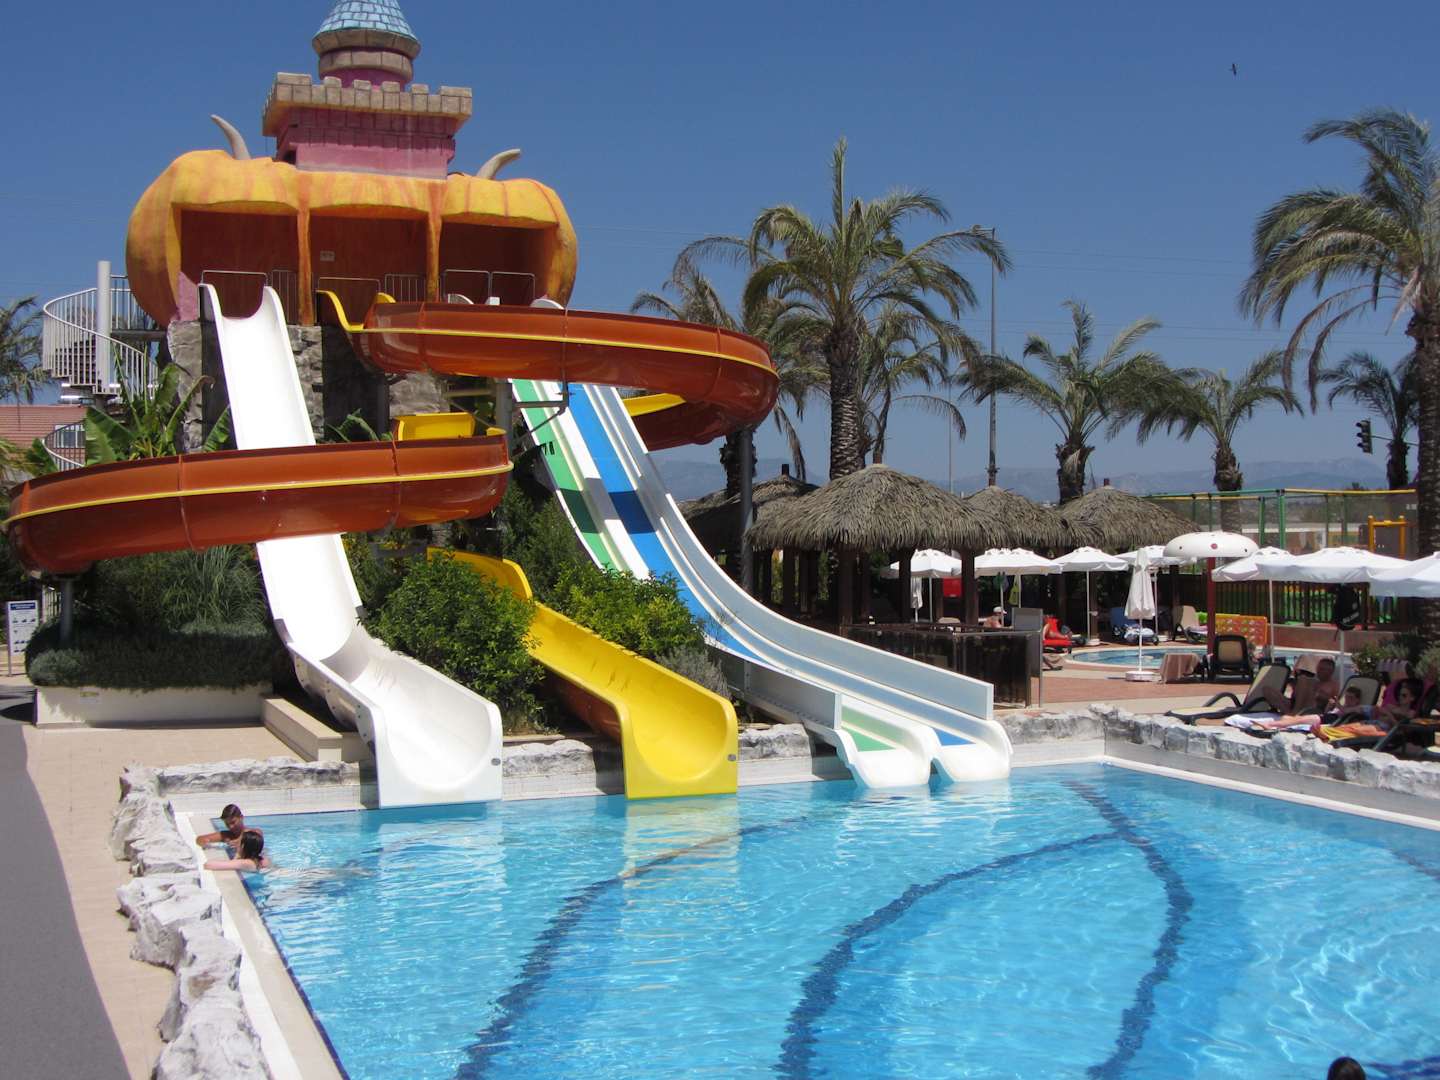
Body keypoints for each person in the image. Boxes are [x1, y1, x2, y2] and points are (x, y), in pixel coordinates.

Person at [194, 804, 260, 849]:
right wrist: (209, 844)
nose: (231, 827)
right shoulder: (227, 835)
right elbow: (198, 839)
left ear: (241, 817)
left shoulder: (253, 833)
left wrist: (237, 841)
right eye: (227, 824)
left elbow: (256, 834)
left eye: (233, 822)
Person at [203, 830, 270, 872]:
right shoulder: (261, 859)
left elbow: (208, 865)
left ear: (242, 846)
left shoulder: (247, 863)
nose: (236, 844)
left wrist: (238, 854)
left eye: (238, 842)